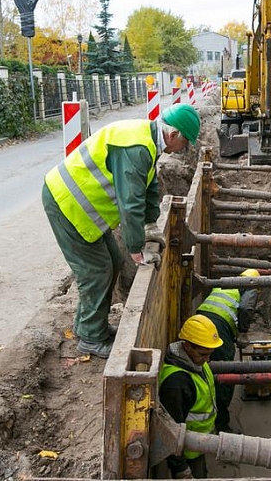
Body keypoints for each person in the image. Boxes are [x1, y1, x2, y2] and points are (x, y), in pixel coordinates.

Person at [42, 104, 201, 359]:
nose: (184, 150)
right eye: (185, 143)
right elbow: (130, 204)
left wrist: (150, 224)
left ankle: (90, 328)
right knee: (96, 271)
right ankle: (91, 340)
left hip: (84, 209)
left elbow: (147, 186)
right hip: (67, 204)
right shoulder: (137, 149)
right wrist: (136, 248)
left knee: (113, 262)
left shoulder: (148, 141)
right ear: (173, 135)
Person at [159, 314, 222, 479]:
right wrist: (181, 470)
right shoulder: (176, 383)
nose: (207, 360)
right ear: (187, 346)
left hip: (199, 444)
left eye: (210, 354)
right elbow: (170, 430)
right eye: (203, 354)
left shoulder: (196, 363)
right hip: (188, 453)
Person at [196, 268, 259, 433]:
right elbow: (246, 308)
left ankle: (206, 408)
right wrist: (243, 332)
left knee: (204, 366)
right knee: (226, 373)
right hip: (219, 325)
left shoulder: (229, 283)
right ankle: (221, 425)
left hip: (200, 318)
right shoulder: (251, 286)